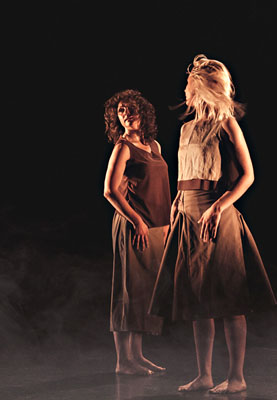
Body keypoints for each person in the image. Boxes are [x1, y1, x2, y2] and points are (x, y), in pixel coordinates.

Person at [149, 55, 277, 393]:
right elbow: (185, 173)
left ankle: (236, 377)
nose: (186, 92)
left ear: (204, 89)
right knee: (197, 303)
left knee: (230, 300)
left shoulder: (227, 124)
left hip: (216, 214)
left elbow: (248, 175)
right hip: (188, 214)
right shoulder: (185, 129)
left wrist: (219, 207)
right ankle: (204, 375)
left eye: (190, 86)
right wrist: (177, 202)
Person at [103, 89, 172, 375]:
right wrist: (136, 221)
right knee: (128, 289)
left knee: (145, 291)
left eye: (131, 109)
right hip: (134, 225)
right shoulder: (123, 147)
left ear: (143, 112)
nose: (127, 114)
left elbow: (160, 188)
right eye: (121, 111)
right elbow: (109, 191)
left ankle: (138, 356)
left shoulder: (154, 145)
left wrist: (166, 224)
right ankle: (123, 361)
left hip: (156, 226)